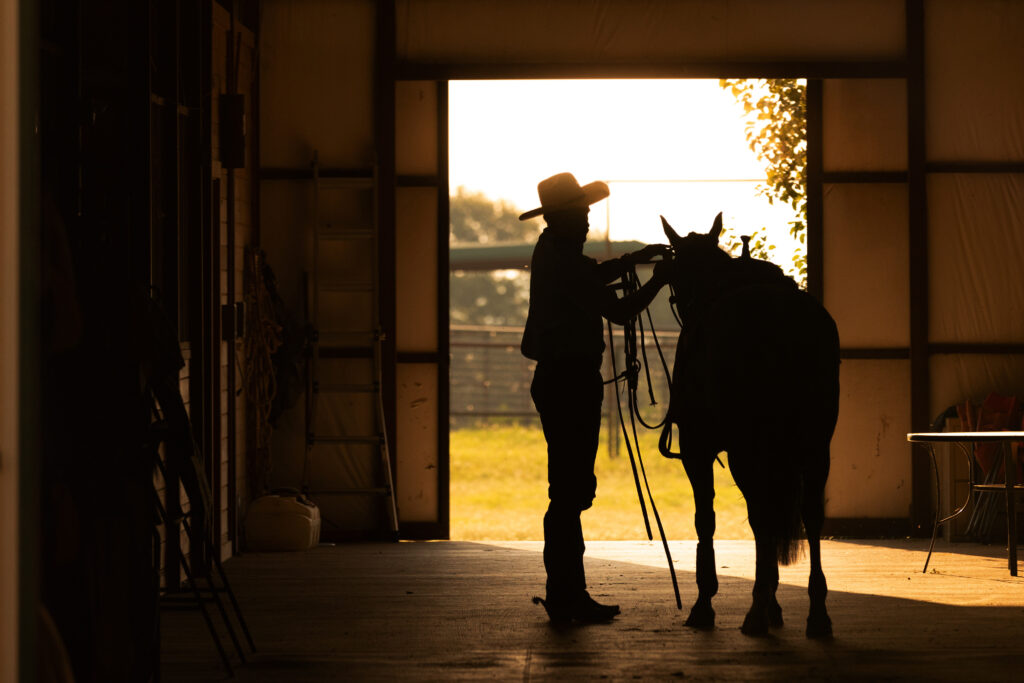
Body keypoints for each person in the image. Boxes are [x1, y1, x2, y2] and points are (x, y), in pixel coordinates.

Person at [520, 172, 671, 625]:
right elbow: (621, 311)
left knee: (567, 491)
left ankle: (567, 592)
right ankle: (567, 596)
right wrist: (658, 279)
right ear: (562, 217)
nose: (587, 221)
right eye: (581, 213)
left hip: (560, 380)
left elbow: (591, 273)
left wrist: (633, 259)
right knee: (569, 494)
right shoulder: (567, 263)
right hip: (570, 383)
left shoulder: (553, 251)